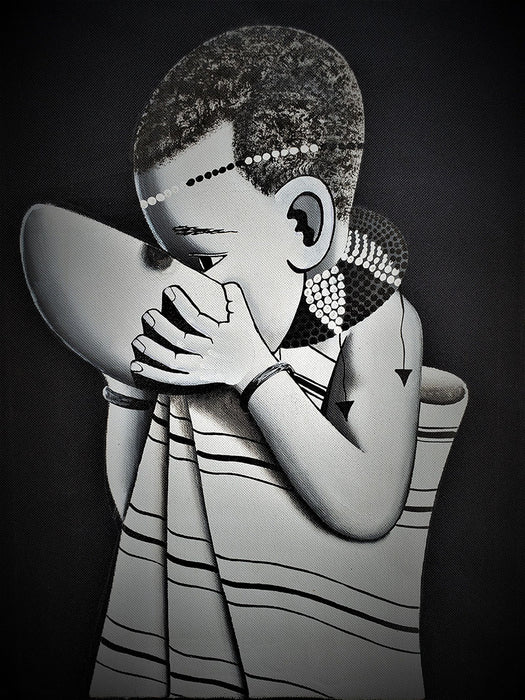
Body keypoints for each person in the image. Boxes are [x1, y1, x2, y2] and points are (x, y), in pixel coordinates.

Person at [85, 25, 423, 698]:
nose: (187, 285)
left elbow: (367, 505)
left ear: (304, 225)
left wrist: (256, 375)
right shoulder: (203, 345)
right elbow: (142, 519)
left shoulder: (378, 323)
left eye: (204, 257)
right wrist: (127, 386)